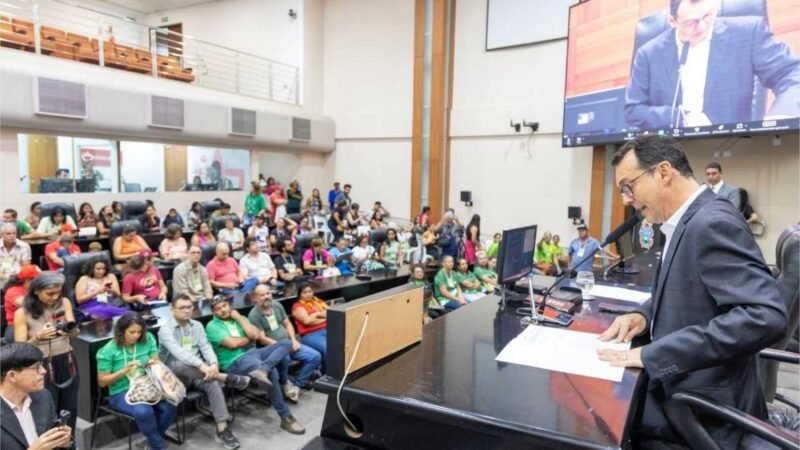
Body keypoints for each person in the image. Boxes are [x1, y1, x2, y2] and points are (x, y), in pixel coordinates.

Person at [597, 135, 786, 449]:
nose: (626, 200)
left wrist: (654, 354)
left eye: (628, 187)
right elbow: (686, 287)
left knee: (597, 422)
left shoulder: (710, 223)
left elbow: (765, 316)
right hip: (688, 387)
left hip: (700, 410)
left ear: (664, 172)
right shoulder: (686, 220)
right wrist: (643, 315)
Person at [624, 0, 800, 130]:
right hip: (669, 154)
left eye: (707, 16)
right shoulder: (648, 54)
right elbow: (634, 110)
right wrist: (680, 118)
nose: (701, 27)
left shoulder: (747, 33)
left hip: (733, 149)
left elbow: (791, 73)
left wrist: (781, 117)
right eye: (690, 22)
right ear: (673, 21)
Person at [158, 295, 249, 450]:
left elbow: (206, 347)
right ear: (172, 309)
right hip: (174, 378)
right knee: (179, 364)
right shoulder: (165, 330)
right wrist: (203, 366)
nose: (187, 311)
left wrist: (213, 364)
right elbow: (179, 353)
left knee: (212, 382)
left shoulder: (197, 325)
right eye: (182, 308)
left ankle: (222, 429)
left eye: (189, 307)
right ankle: (225, 377)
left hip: (201, 373)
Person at [205, 296, 306, 434]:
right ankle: (285, 417)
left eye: (224, 306)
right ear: (213, 312)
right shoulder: (212, 326)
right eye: (218, 309)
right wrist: (249, 338)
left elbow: (256, 335)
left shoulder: (240, 318)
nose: (223, 310)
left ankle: (264, 369)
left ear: (228, 305)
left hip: (254, 352)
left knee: (285, 343)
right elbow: (233, 344)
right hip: (235, 361)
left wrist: (239, 318)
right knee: (273, 372)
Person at [96, 313, 178, 450]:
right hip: (121, 391)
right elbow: (102, 382)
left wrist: (153, 364)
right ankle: (158, 446)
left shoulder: (148, 339)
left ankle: (152, 444)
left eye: (139, 332)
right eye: (132, 332)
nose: (136, 336)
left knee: (172, 402)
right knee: (143, 412)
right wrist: (123, 371)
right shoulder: (108, 350)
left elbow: (156, 362)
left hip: (148, 385)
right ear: (122, 331)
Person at [14, 272, 80, 434]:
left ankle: (69, 443)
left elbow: (74, 330)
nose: (55, 297)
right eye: (50, 293)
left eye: (58, 292)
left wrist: (69, 332)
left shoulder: (63, 302)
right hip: (40, 365)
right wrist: (38, 337)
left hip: (67, 359)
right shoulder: (22, 313)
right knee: (46, 411)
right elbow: (19, 349)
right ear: (36, 291)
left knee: (69, 408)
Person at [248, 285, 321, 393]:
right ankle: (284, 383)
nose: (266, 297)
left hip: (289, 343)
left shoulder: (277, 305)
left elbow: (287, 324)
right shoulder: (254, 315)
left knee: (315, 356)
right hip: (272, 349)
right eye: (262, 295)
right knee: (285, 359)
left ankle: (298, 384)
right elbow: (262, 338)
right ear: (256, 298)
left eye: (268, 293)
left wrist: (293, 340)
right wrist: (282, 346)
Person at [0, 343, 73, 450]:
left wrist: (66, 442)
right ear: (12, 375)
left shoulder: (44, 397)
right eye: (36, 367)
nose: (44, 371)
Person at [290, 283, 328, 373]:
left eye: (310, 291)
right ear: (300, 294)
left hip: (327, 330)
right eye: (304, 292)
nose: (308, 294)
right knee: (329, 348)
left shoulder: (318, 301)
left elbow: (331, 313)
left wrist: (316, 315)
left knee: (342, 344)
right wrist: (325, 318)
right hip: (310, 335)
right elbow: (307, 321)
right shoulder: (297, 306)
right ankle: (326, 373)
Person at [3, 266, 40, 342]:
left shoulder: (35, 289)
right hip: (15, 326)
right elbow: (25, 304)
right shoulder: (13, 290)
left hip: (35, 322)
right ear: (28, 281)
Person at [0, 223, 32, 291]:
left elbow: (26, 266)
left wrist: (16, 277)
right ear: (1, 235)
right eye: (8, 233)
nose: (12, 236)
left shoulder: (24, 246)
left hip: (18, 277)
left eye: (14, 233)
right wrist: (4, 276)